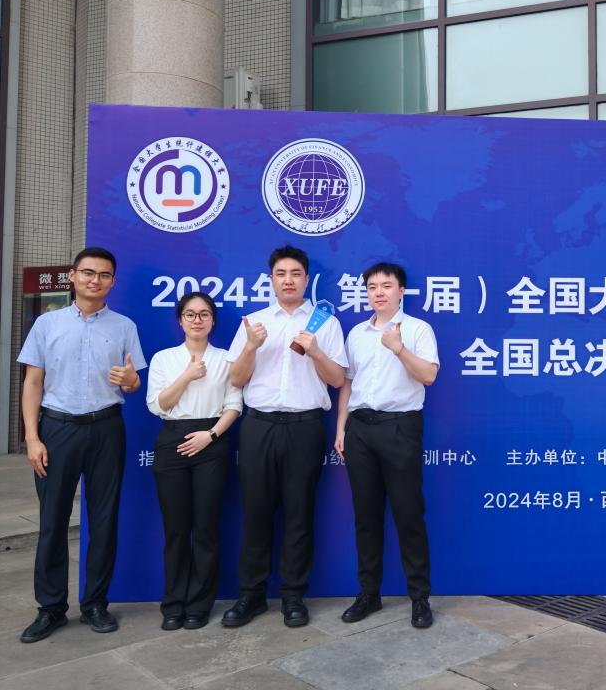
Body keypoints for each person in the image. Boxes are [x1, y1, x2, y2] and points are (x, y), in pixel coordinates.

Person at [17, 247, 146, 643]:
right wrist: (33, 438)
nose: (95, 280)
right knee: (53, 520)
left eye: (104, 275)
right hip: (57, 428)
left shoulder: (124, 326)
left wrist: (130, 381)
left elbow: (134, 383)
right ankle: (51, 608)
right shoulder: (47, 324)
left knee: (104, 519)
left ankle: (95, 603)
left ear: (113, 281)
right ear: (72, 276)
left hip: (106, 428)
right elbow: (33, 383)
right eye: (88, 272)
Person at [222, 245, 347, 628]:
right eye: (281, 274)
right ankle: (251, 595)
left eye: (295, 274)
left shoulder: (325, 322)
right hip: (258, 426)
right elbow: (236, 379)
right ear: (271, 280)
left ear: (306, 280)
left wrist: (316, 352)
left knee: (299, 513)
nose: (288, 280)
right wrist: (250, 347)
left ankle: (293, 596)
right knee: (256, 512)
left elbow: (337, 380)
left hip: (305, 426)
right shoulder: (254, 322)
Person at [335, 262, 439, 629]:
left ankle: (419, 598)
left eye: (386, 286)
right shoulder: (357, 333)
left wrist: (398, 349)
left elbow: (428, 375)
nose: (378, 292)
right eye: (372, 287)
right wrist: (342, 428)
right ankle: (369, 594)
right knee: (366, 516)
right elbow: (348, 383)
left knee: (408, 514)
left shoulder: (418, 329)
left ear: (401, 291)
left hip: (400, 427)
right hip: (360, 428)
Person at [146, 292, 242, 630]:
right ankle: (173, 604)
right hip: (172, 439)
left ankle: (200, 604)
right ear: (180, 320)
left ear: (213, 321)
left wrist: (210, 435)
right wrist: (187, 375)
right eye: (190, 314)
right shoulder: (164, 359)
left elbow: (234, 405)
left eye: (204, 314)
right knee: (176, 530)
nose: (197, 320)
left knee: (206, 528)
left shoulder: (227, 359)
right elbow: (158, 405)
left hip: (211, 441)